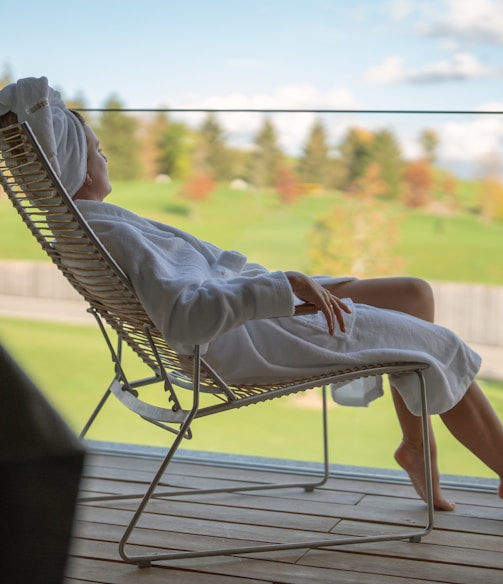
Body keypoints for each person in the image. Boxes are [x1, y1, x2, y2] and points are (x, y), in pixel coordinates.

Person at [2, 78, 502, 510]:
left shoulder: (90, 228)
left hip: (257, 315)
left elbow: (185, 296)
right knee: (438, 346)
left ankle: (416, 446)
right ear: (81, 168)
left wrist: (281, 285)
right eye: (99, 148)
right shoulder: (112, 235)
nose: (107, 154)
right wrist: (283, 287)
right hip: (253, 338)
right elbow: (186, 317)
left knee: (413, 295)